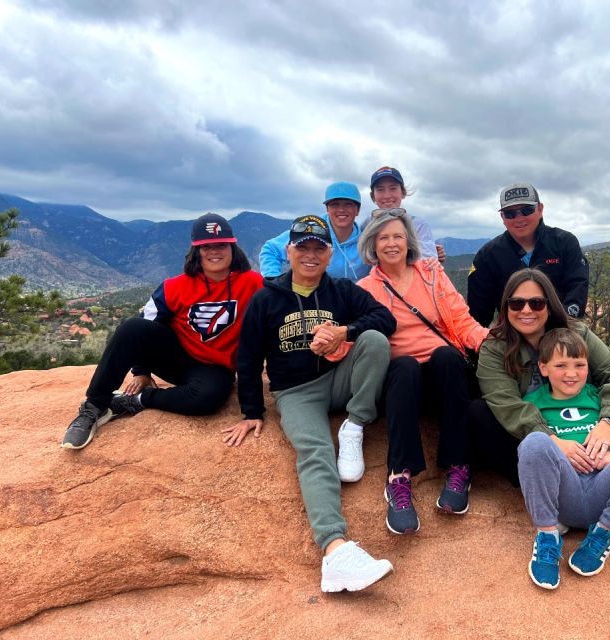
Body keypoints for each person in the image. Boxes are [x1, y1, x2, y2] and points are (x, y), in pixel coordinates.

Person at [225, 214, 396, 592]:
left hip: (338, 381)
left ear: (329, 253)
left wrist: (343, 331)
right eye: (302, 246)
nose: (310, 254)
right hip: (296, 392)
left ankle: (355, 426)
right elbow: (248, 357)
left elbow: (384, 319)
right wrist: (252, 411)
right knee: (315, 452)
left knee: (374, 341)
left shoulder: (340, 290)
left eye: (318, 247)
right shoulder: (267, 299)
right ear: (289, 251)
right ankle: (335, 550)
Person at [61, 213, 264, 450]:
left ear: (232, 248)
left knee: (210, 398)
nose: (214, 251)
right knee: (131, 327)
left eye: (221, 245)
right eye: (206, 246)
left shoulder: (253, 284)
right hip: (176, 358)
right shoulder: (175, 287)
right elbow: (144, 327)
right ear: (196, 251)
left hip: (215, 368)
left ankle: (135, 401)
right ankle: (95, 405)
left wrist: (253, 411)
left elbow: (261, 336)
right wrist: (141, 371)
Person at [357, 209, 488, 535]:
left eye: (397, 236)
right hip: (402, 384)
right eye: (383, 237)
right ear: (372, 244)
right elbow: (356, 339)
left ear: (408, 241)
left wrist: (491, 343)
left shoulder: (432, 275)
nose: (391, 243)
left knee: (446, 356)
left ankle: (459, 467)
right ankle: (399, 479)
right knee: (404, 365)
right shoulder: (363, 289)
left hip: (445, 377)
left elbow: (462, 320)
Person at [519, 327, 610, 590]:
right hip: (564, 495)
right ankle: (547, 536)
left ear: (589, 366)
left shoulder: (605, 399)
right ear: (543, 368)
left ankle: (604, 534)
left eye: (579, 364)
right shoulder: (531, 404)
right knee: (533, 443)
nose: (571, 373)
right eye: (561, 365)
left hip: (606, 493)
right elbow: (534, 460)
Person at [469, 268, 610, 486]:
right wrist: (553, 442)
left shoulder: (575, 333)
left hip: (579, 423)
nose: (526, 310)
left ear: (550, 306)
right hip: (532, 438)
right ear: (506, 307)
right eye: (517, 303)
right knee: (479, 413)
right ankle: (536, 482)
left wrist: (609, 422)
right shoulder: (494, 348)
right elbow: (506, 404)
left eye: (537, 303)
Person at [467, 182, 588, 325]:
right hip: (512, 336)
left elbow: (577, 290)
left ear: (540, 209)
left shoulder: (565, 243)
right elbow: (478, 313)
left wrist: (560, 329)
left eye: (527, 210)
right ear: (502, 217)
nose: (519, 218)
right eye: (510, 213)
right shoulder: (487, 256)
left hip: (562, 330)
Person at [259, 182, 369, 281]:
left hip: (354, 301)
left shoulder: (367, 241)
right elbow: (271, 249)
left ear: (357, 210)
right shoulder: (311, 230)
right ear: (327, 209)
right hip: (315, 299)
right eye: (334, 204)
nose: (341, 210)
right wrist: (273, 280)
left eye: (348, 204)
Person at [365, 166, 444, 262]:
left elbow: (428, 264)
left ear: (402, 192)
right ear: (373, 196)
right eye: (380, 189)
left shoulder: (419, 225)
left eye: (393, 188)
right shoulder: (367, 224)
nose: (387, 195)